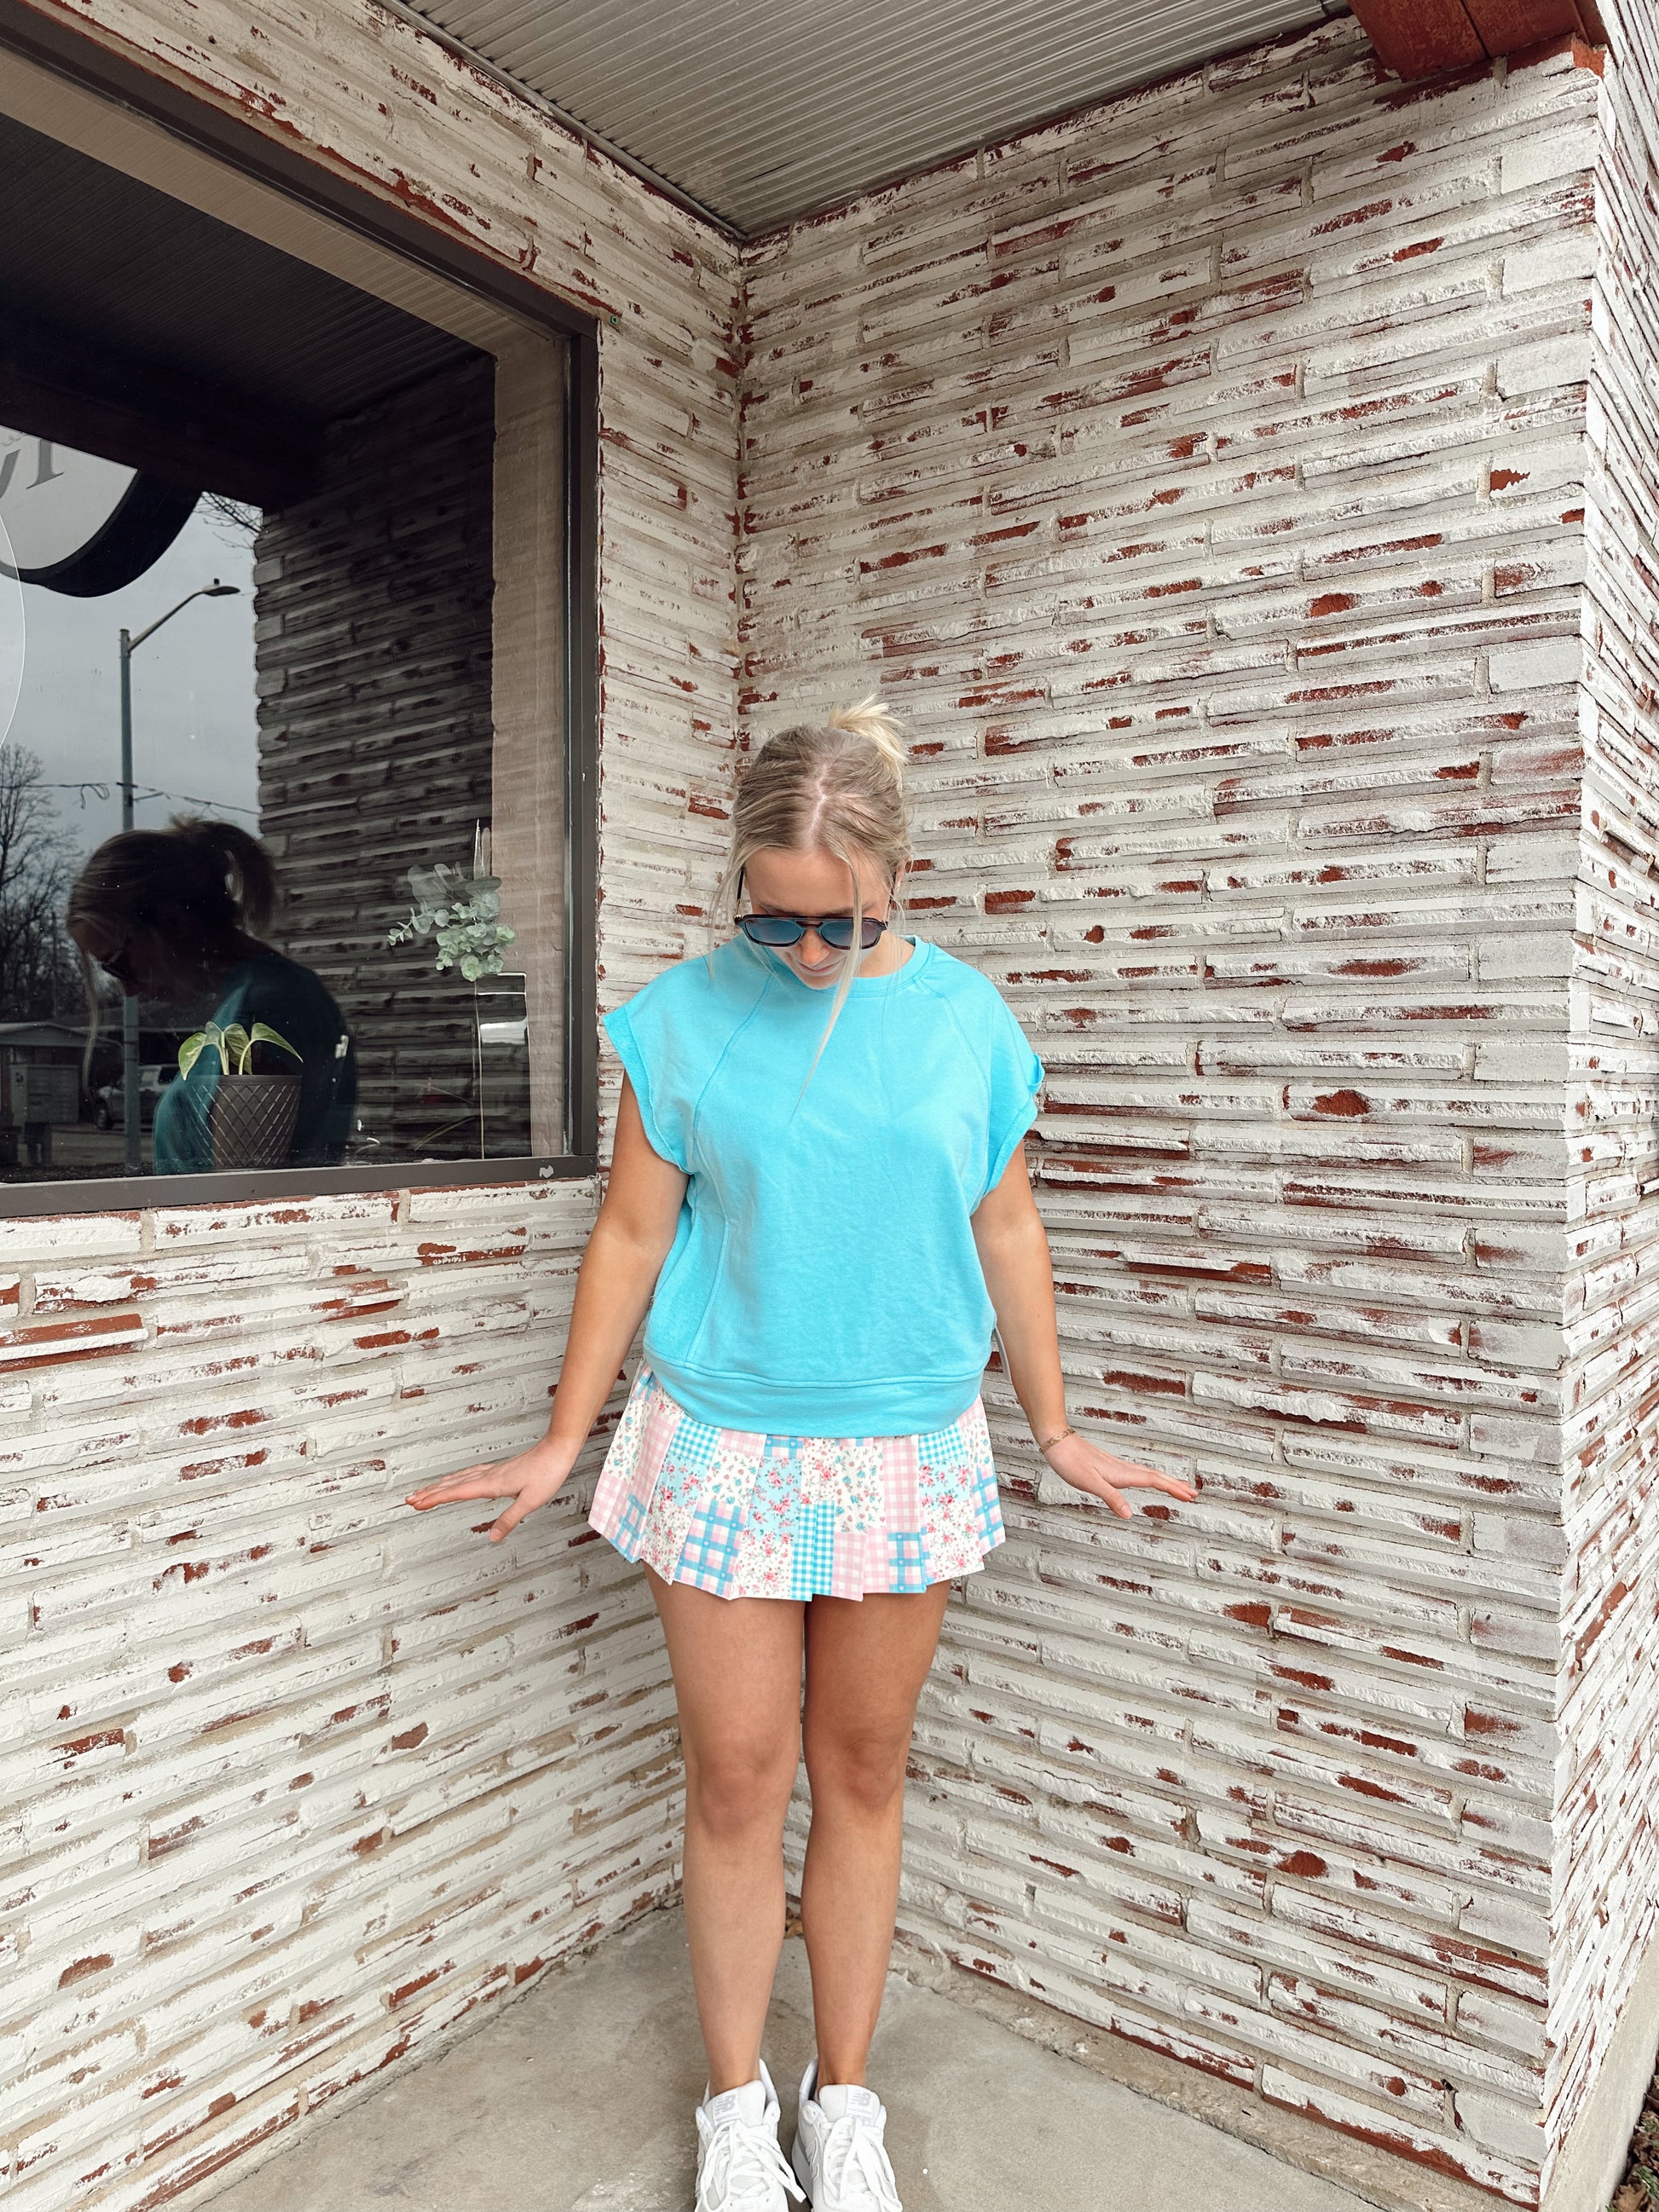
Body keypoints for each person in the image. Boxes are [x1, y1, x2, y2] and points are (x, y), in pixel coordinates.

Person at [405, 701, 1198, 2211]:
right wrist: (565, 1434)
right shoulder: (682, 1018)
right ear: (738, 888)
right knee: (735, 1777)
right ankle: (732, 2107)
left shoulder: (967, 1023)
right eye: (775, 923)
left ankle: (843, 2102)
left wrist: (1056, 1424)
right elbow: (631, 1232)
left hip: (905, 1444)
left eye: (845, 922)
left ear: (898, 878)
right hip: (721, 1441)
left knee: (864, 1769)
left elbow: (1006, 1223)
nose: (812, 954)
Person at [66, 816, 356, 1175]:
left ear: (172, 920)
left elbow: (244, 1193)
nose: (128, 989)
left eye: (118, 964)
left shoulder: (259, 1011)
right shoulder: (268, 996)